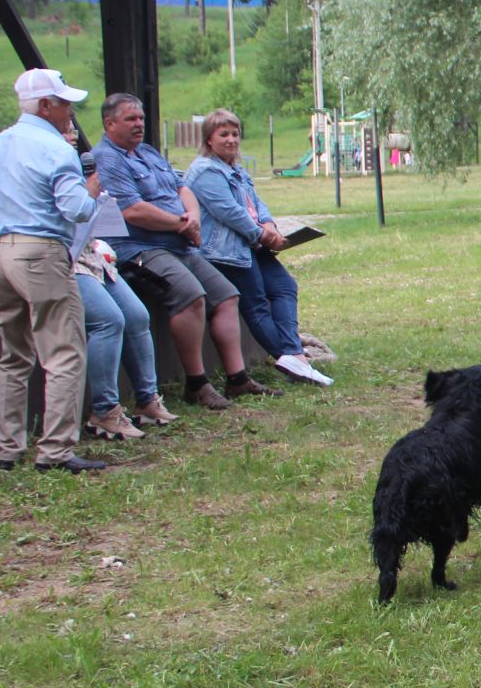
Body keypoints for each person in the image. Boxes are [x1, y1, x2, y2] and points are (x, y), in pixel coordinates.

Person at [91, 93, 279, 409]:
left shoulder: (147, 152)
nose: (139, 124)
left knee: (227, 295)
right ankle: (196, 384)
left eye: (140, 118)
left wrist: (192, 216)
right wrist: (181, 223)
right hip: (140, 249)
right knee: (191, 296)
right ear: (109, 123)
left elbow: (182, 188)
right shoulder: (107, 159)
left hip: (178, 243)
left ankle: (237, 379)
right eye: (130, 119)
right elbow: (132, 211)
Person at [0, 69, 105, 472]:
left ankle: (7, 448)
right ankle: (55, 451)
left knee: (13, 355)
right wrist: (92, 193)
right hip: (40, 252)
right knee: (63, 352)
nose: (71, 111)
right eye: (65, 103)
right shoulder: (54, 150)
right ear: (46, 106)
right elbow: (75, 208)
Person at [185, 109, 333, 386]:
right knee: (256, 303)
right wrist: (262, 235)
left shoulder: (236, 170)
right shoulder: (204, 171)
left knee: (284, 286)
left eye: (235, 134)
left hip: (251, 244)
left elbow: (256, 204)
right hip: (227, 252)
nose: (231, 140)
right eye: (223, 134)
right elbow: (228, 212)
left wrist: (270, 225)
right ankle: (289, 357)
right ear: (208, 140)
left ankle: (294, 355)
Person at [61, 117, 176, 441]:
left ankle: (147, 401)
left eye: (74, 128)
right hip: (65, 258)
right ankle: (105, 411)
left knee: (137, 315)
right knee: (108, 321)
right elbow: (68, 212)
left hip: (92, 251)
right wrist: (92, 191)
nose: (74, 135)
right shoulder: (50, 165)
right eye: (68, 130)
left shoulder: (72, 163)